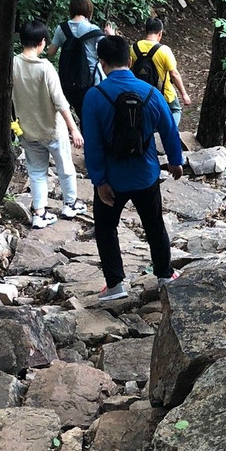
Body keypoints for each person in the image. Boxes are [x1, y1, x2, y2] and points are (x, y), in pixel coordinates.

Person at [82, 35, 185, 301]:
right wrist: (176, 161)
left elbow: (92, 145)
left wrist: (99, 180)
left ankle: (115, 284)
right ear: (130, 60)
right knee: (154, 225)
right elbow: (169, 131)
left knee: (106, 228)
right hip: (146, 174)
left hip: (112, 179)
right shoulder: (151, 92)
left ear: (102, 63)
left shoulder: (94, 96)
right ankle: (164, 274)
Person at [12, 20, 86, 229]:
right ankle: (70, 204)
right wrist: (73, 128)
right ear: (42, 42)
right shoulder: (45, 68)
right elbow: (60, 101)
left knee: (36, 172)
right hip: (52, 130)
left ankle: (39, 213)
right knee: (65, 168)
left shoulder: (12, 65)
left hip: (27, 129)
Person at [47, 0, 104, 120]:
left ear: (71, 10)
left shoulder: (61, 28)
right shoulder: (93, 29)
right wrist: (110, 35)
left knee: (80, 111)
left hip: (70, 80)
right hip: (91, 79)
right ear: (89, 10)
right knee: (92, 116)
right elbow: (107, 49)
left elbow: (51, 52)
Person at [131, 18, 192, 132]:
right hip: (163, 93)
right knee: (176, 110)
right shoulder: (164, 50)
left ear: (146, 31)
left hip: (141, 93)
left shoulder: (134, 48)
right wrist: (184, 94)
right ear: (160, 33)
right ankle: (168, 132)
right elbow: (174, 74)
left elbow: (130, 68)